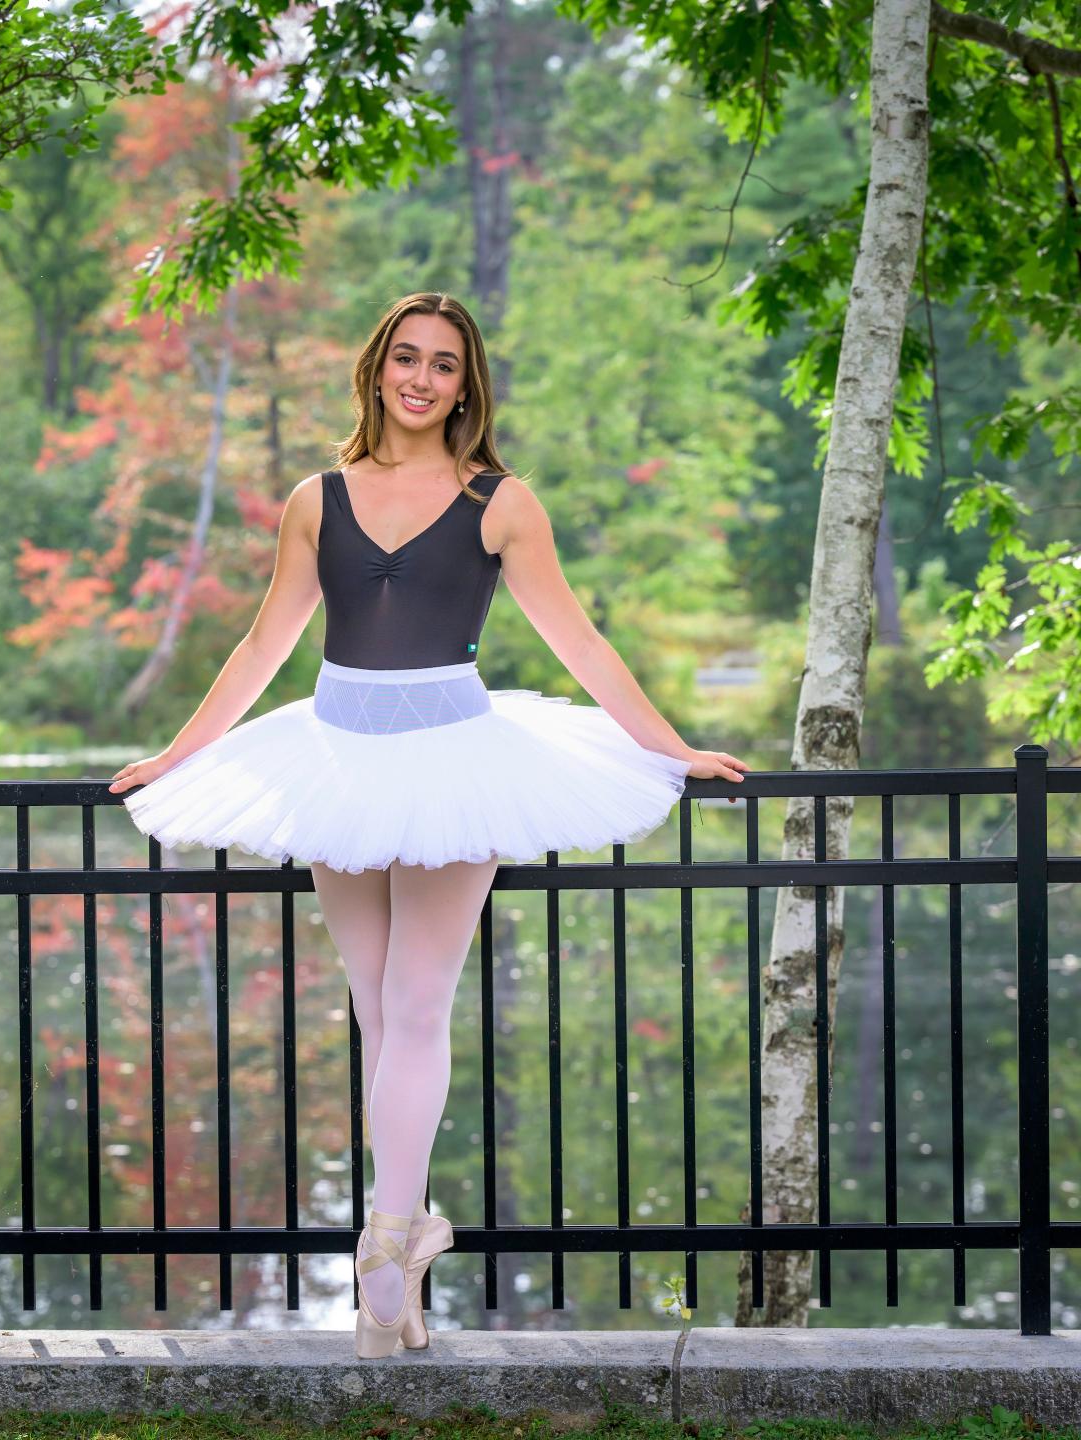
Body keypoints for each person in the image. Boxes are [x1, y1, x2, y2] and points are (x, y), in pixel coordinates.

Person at [109, 291, 749, 1356]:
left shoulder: (502, 501)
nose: (420, 379)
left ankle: (385, 1242)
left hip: (456, 756)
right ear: (376, 370)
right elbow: (265, 645)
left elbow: (578, 641)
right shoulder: (317, 498)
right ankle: (399, 1254)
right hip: (335, 755)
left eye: (442, 365)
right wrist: (179, 754)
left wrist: (671, 745)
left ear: (466, 384)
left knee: (414, 1003)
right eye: (404, 358)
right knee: (380, 1006)